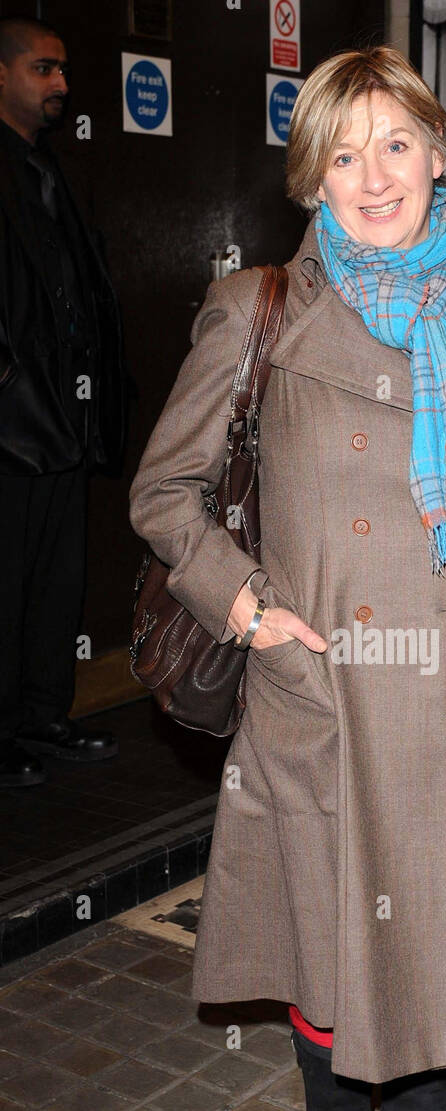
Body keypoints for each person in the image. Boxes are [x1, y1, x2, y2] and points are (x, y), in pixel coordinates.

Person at [129, 45, 446, 1111]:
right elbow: (165, 494)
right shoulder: (258, 309)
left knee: (440, 926)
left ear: (441, 155)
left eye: (394, 143)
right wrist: (250, 611)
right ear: (310, 177)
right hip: (321, 685)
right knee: (330, 935)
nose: (371, 174)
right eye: (341, 151)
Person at [0, 15, 127, 788]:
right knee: (7, 579)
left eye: (64, 71)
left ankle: (42, 715)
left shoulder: (48, 168)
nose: (62, 86)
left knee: (54, 578)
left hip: (62, 416)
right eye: (44, 69)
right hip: (11, 421)